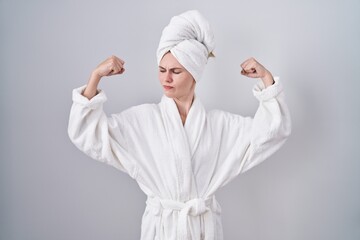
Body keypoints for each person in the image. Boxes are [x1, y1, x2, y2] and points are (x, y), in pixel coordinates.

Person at [68, 10, 291, 240]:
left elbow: (271, 132)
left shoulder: (219, 126)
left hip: (204, 230)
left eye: (176, 71)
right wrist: (95, 77)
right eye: (162, 70)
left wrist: (267, 79)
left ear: (194, 74)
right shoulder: (144, 121)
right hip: (161, 230)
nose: (166, 79)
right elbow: (88, 134)